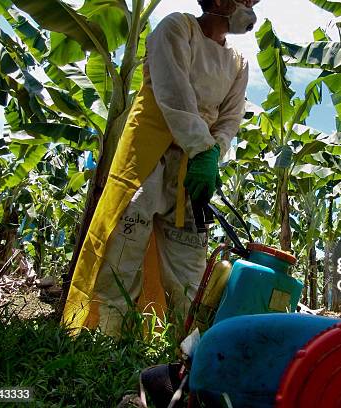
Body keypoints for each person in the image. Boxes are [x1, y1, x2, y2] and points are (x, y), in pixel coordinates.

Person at [62, 0, 258, 335]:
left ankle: (186, 346)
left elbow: (230, 119)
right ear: (220, 1)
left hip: (193, 168)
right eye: (246, 0)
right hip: (147, 156)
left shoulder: (238, 62)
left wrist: (212, 153)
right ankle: (107, 340)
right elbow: (174, 94)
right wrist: (202, 148)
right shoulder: (176, 27)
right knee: (121, 255)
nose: (252, 6)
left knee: (189, 268)